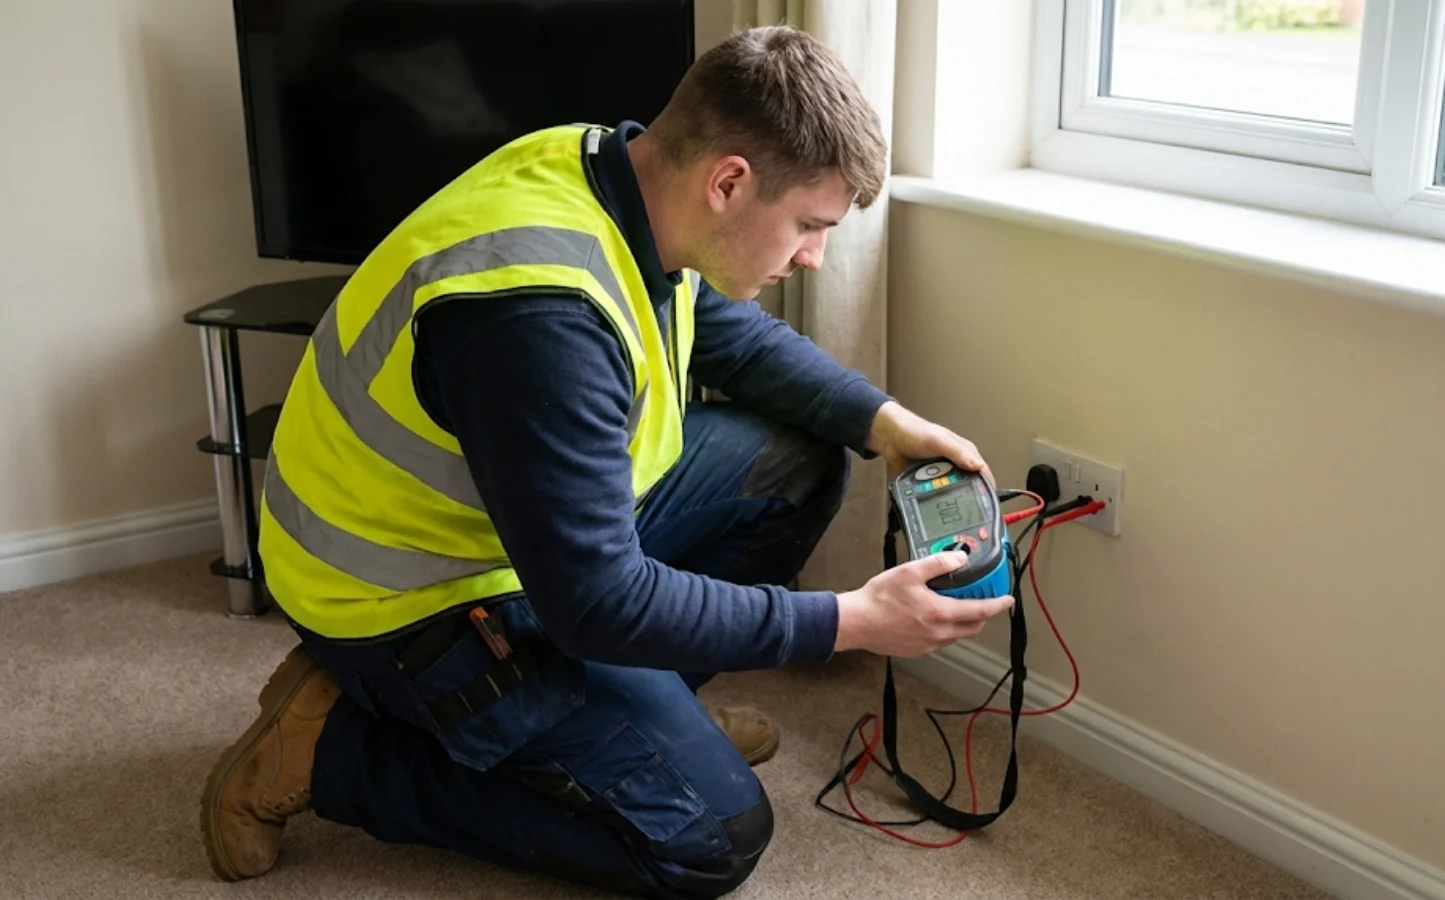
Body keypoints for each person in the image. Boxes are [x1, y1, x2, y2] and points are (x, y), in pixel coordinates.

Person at [199, 25, 1014, 900]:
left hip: (514, 529)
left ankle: (637, 719)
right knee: (712, 837)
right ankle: (332, 753)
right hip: (398, 591)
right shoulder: (538, 323)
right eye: (809, 227)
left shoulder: (616, 170)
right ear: (729, 181)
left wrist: (884, 422)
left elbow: (726, 334)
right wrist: (845, 621)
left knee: (796, 461)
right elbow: (598, 603)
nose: (814, 255)